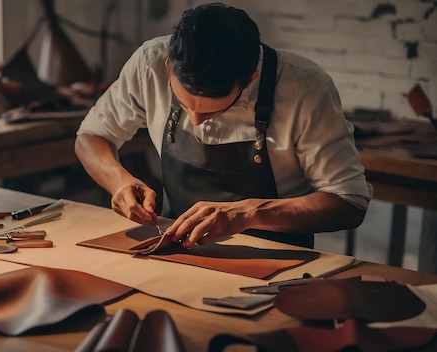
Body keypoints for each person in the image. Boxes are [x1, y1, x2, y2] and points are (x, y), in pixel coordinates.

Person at [75, 2, 372, 249]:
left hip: (276, 261)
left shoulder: (304, 88)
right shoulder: (149, 63)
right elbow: (92, 136)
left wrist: (248, 212)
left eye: (210, 113)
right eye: (185, 105)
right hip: (177, 249)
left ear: (250, 78)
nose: (193, 121)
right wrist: (119, 181)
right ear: (169, 66)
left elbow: (348, 202)